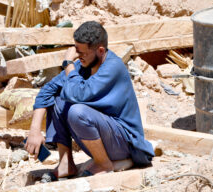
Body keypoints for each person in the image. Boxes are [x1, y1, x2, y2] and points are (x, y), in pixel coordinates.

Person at [25, 21, 154, 181]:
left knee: (77, 111)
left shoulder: (113, 67)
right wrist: (34, 130)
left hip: (125, 142)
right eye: (76, 52)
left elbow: (80, 94)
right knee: (58, 99)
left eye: (82, 53)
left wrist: (68, 65)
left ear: (100, 51)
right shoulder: (83, 65)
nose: (78, 57)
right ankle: (66, 163)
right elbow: (47, 91)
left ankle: (103, 164)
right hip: (103, 135)